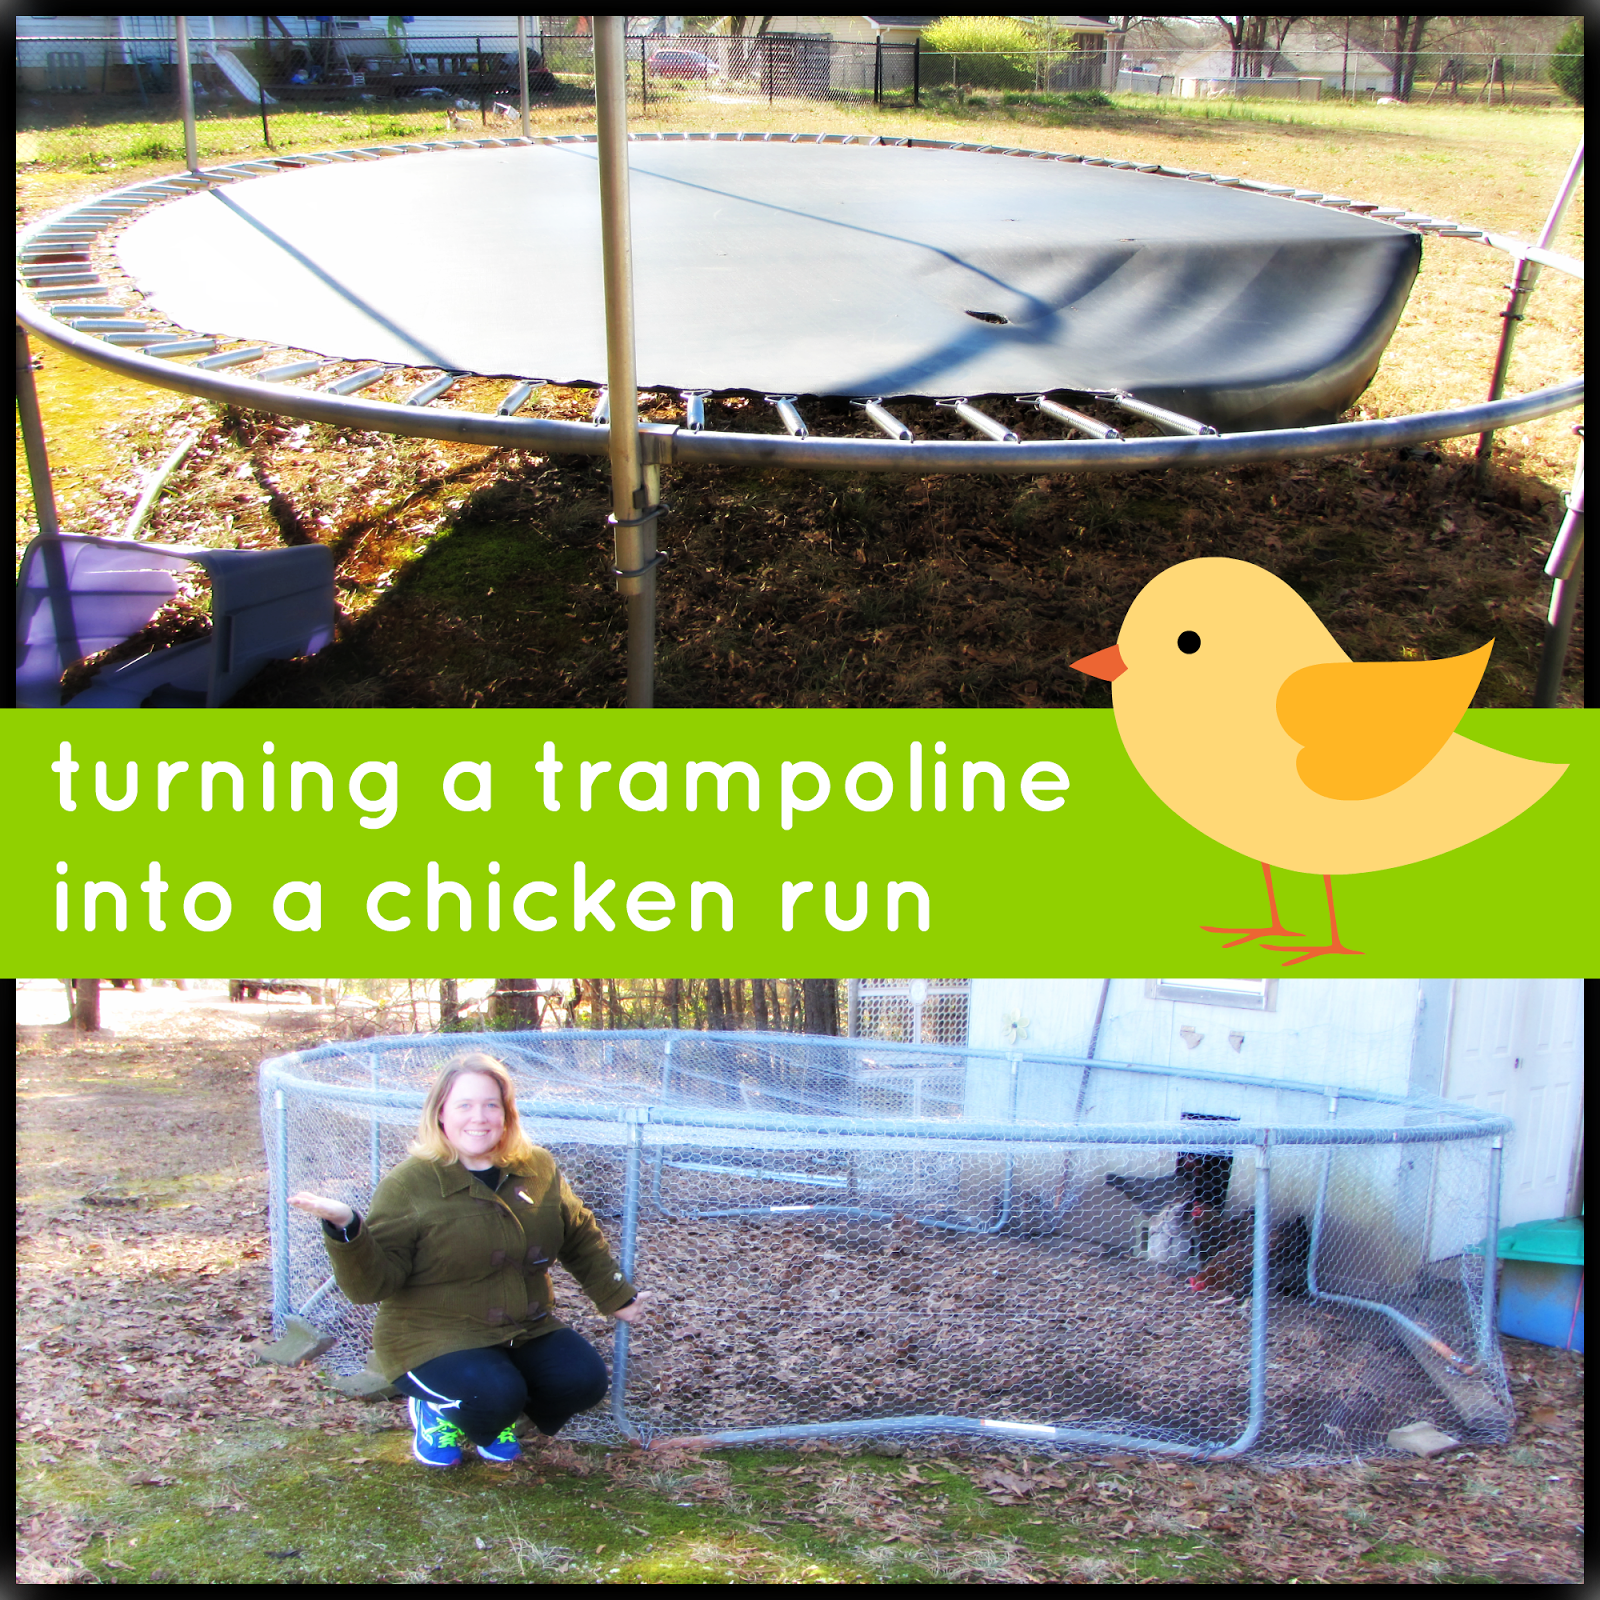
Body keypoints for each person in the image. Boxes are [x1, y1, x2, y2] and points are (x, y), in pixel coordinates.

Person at [288, 1052, 650, 1467]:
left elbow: (579, 1234)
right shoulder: (409, 1184)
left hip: (523, 1327)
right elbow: (371, 1286)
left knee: (583, 1381)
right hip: (431, 1336)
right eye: (464, 1105)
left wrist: (615, 1295)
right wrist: (347, 1225)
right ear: (441, 1113)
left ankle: (493, 1417)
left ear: (506, 1113)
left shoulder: (538, 1167)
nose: (479, 1117)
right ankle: (438, 1410)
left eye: (491, 1104)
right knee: (494, 1393)